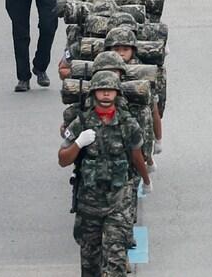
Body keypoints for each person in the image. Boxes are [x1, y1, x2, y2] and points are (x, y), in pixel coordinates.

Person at [58, 71, 151, 277]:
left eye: (110, 90)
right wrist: (78, 142)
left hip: (119, 201)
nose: (106, 94)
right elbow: (63, 159)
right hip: (89, 203)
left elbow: (137, 156)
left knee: (116, 260)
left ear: (117, 93)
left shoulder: (128, 124)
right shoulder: (81, 122)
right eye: (102, 90)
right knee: (90, 264)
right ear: (94, 93)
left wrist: (145, 180)